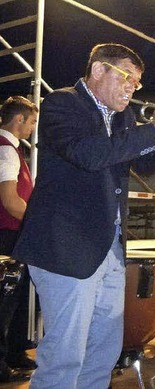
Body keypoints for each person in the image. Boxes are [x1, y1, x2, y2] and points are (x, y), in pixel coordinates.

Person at [11, 43, 155, 388]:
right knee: (65, 357)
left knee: (103, 353)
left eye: (136, 83)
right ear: (98, 71)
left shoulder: (121, 117)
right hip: (66, 248)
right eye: (126, 77)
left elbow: (141, 164)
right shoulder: (62, 103)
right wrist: (152, 127)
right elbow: (88, 155)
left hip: (108, 249)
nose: (132, 88)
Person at [0, 96, 39, 382]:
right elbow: (11, 202)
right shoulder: (6, 152)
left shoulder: (11, 150)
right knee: (6, 302)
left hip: (11, 234)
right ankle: (3, 364)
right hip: (8, 236)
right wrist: (37, 224)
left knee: (15, 300)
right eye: (32, 121)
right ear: (19, 120)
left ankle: (14, 353)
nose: (33, 127)